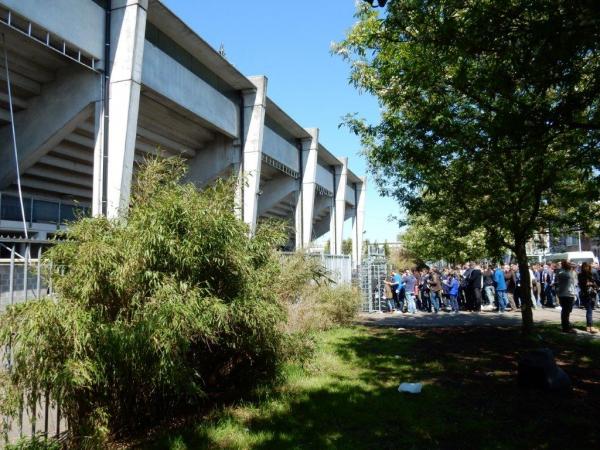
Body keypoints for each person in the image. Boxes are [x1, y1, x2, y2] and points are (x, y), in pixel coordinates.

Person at [556, 260, 578, 333]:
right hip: (567, 294)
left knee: (565, 311)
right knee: (566, 311)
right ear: (567, 265)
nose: (571, 265)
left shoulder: (561, 273)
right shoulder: (567, 274)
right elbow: (574, 283)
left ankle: (565, 325)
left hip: (563, 294)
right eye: (570, 264)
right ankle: (566, 327)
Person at [578, 262, 598, 334]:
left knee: (589, 309)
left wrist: (592, 284)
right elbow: (586, 284)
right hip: (588, 294)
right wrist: (592, 284)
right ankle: (590, 326)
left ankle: (588, 326)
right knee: (589, 310)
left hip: (585, 294)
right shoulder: (588, 275)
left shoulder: (580, 275)